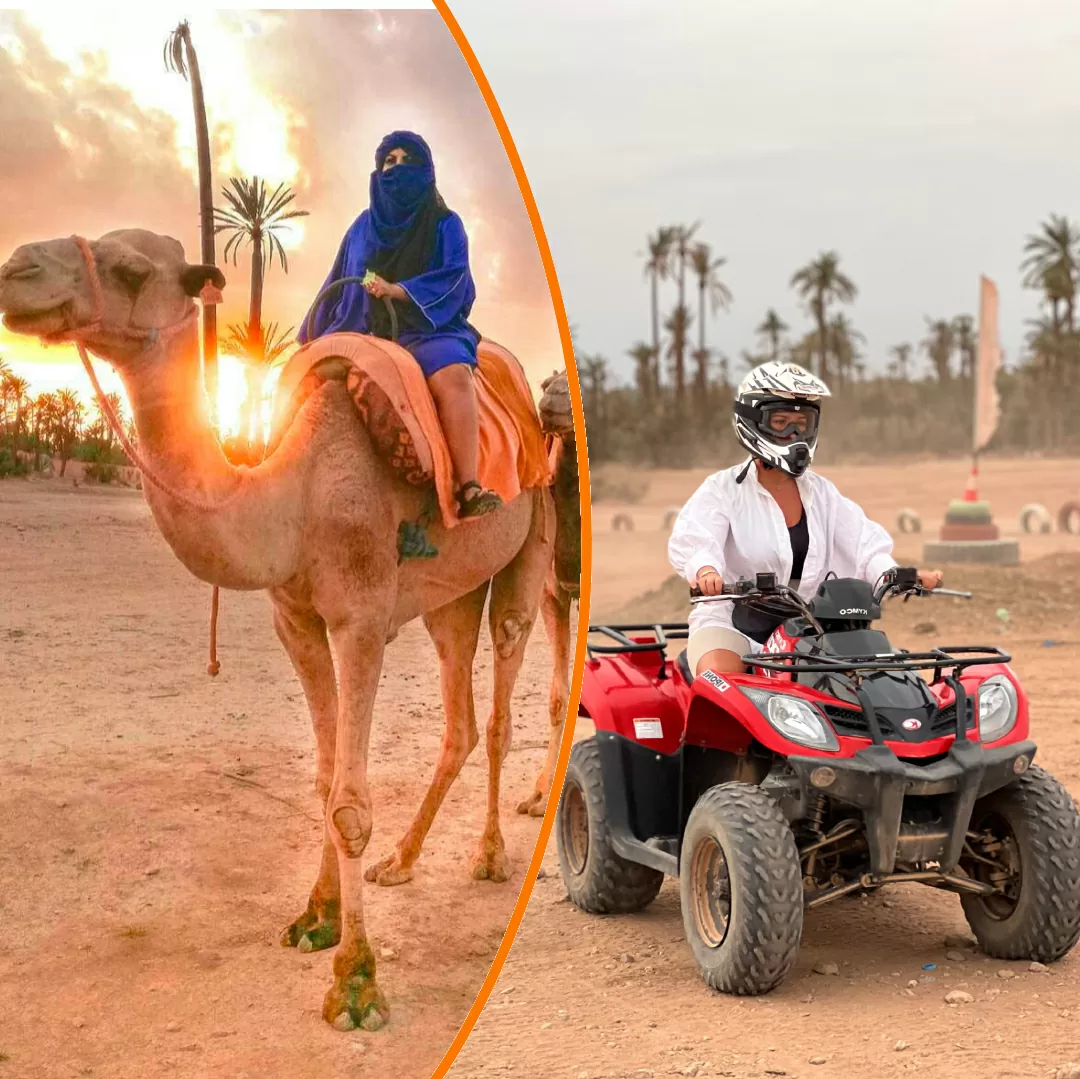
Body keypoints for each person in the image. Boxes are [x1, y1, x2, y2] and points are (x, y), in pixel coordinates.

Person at [668, 361, 943, 677]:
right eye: (781, 422)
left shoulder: (822, 492)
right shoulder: (722, 490)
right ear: (753, 421)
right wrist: (706, 571)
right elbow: (696, 538)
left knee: (872, 681)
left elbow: (864, 545)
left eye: (802, 423)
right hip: (733, 623)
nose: (793, 433)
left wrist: (898, 574)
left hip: (809, 626)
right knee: (722, 684)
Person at [298, 130, 501, 518]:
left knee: (454, 377)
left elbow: (455, 277)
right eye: (388, 162)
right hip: (359, 330)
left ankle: (469, 486)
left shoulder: (445, 224)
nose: (396, 168)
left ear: (426, 172)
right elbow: (337, 277)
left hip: (425, 330)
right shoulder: (361, 227)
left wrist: (399, 291)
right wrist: (310, 333)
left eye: (407, 161)